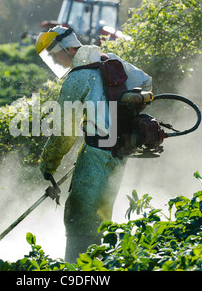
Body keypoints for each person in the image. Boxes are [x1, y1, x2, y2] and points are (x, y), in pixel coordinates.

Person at [36, 26, 152, 263]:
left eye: (54, 55)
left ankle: (78, 270)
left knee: (78, 215)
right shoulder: (111, 61)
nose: (56, 62)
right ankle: (104, 264)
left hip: (97, 153)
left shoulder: (78, 78)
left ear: (68, 48)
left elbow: (63, 133)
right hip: (121, 153)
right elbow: (146, 82)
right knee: (101, 215)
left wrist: (48, 164)